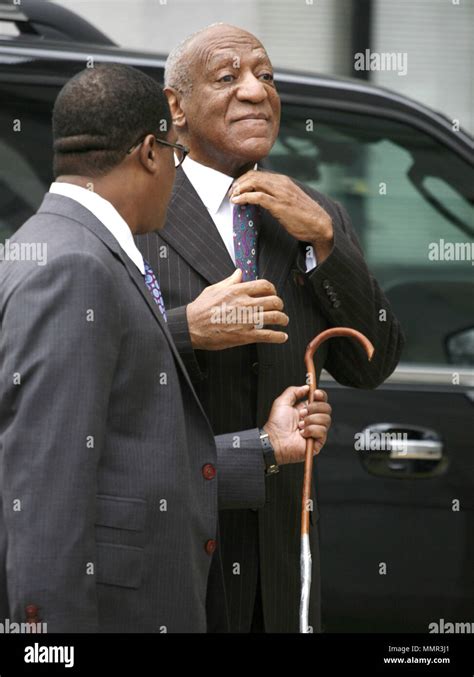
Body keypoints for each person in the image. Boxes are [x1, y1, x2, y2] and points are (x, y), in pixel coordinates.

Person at [0, 64, 332, 633]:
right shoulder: (75, 266)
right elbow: (44, 495)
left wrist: (267, 446)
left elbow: (127, 469)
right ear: (151, 153)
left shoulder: (51, 243)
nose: (177, 177)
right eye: (176, 158)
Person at [137, 23, 405, 633]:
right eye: (228, 78)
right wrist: (184, 329)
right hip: (179, 548)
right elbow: (87, 359)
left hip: (280, 561)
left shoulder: (313, 211)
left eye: (265, 76)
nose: (256, 91)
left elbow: (373, 362)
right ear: (175, 108)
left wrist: (327, 242)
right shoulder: (139, 204)